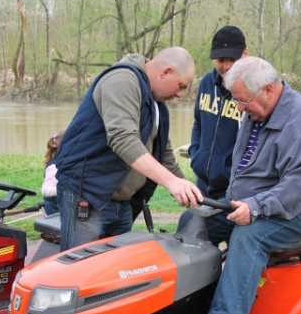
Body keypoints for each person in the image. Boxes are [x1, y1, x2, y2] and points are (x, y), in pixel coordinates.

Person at [192, 57, 301, 314]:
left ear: (268, 89)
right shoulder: (258, 112)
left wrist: (254, 207)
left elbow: (298, 187)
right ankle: (186, 307)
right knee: (194, 223)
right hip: (258, 202)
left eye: (244, 101)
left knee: (249, 235)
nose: (240, 109)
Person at [55, 47, 202, 251]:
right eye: (180, 86)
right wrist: (171, 182)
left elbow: (163, 154)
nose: (179, 94)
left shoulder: (156, 104)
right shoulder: (122, 81)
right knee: (80, 273)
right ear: (165, 72)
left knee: (118, 276)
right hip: (88, 197)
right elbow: (123, 139)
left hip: (122, 203)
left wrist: (187, 188)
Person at [178, 25, 249, 246]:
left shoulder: (250, 90)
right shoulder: (207, 84)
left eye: (231, 59)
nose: (225, 66)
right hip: (203, 184)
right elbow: (198, 122)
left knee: (229, 242)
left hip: (232, 188)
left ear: (244, 55)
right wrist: (197, 154)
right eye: (220, 60)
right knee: (192, 241)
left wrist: (232, 171)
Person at [41, 131, 64, 215]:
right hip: (54, 211)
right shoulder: (54, 166)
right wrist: (65, 190)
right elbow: (46, 190)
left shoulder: (64, 162)